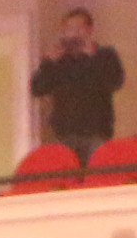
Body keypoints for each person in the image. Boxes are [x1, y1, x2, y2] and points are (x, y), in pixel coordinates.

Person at [29, 10, 124, 157]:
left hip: (97, 132)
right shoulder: (59, 60)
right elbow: (37, 89)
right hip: (64, 134)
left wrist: (92, 57)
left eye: (79, 28)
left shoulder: (105, 55)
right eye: (69, 29)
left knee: (96, 174)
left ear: (89, 30)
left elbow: (114, 82)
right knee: (66, 176)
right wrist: (49, 62)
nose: (74, 33)